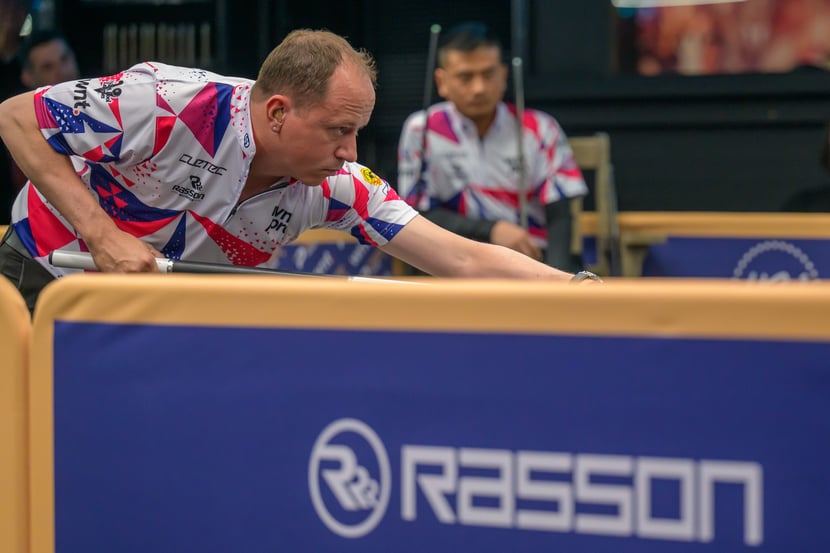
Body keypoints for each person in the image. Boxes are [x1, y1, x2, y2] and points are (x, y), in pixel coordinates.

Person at [0, 29, 599, 313]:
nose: (351, 152)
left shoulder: (339, 187)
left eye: (357, 131)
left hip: (157, 317)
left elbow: (462, 259)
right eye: (339, 130)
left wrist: (576, 289)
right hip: (43, 274)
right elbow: (17, 118)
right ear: (279, 113)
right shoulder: (168, 103)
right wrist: (103, 236)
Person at [397, 22, 588, 272]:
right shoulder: (421, 129)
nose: (479, 88)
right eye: (465, 77)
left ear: (504, 75)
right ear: (441, 81)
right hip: (449, 264)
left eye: (488, 75)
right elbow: (414, 215)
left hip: (529, 264)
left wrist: (557, 280)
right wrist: (492, 230)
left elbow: (560, 216)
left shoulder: (541, 128)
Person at [4, 29, 80, 199]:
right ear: (27, 77)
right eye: (48, 67)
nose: (62, 71)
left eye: (64, 59)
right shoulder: (21, 125)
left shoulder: (103, 102)